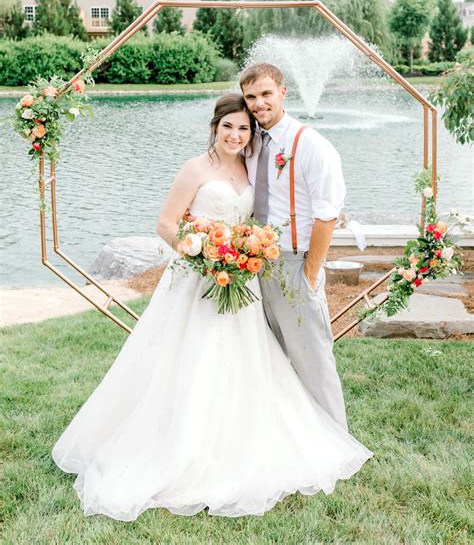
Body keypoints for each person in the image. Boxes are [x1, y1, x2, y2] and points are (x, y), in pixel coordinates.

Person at [52, 93, 372, 521]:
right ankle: (178, 447)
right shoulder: (195, 169)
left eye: (244, 128)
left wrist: (244, 253)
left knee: (247, 360)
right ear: (215, 127)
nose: (237, 135)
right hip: (196, 280)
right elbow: (166, 224)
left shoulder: (252, 168)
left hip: (241, 280)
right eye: (229, 127)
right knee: (191, 358)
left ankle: (245, 440)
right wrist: (201, 254)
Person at [241, 62, 348, 429]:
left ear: (283, 92)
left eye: (266, 94)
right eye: (251, 97)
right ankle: (286, 433)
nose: (258, 103)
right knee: (266, 354)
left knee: (312, 355)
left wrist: (310, 271)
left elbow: (327, 214)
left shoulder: (311, 144)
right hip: (254, 265)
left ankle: (335, 438)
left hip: (295, 262)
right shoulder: (250, 143)